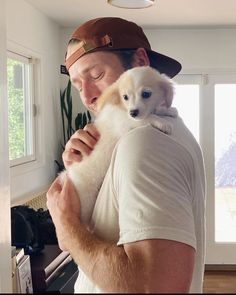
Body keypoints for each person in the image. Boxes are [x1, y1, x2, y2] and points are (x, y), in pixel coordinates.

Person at [46, 17, 206, 293]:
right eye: (77, 84)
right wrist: (80, 175)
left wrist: (66, 225)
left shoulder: (146, 143)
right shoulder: (140, 138)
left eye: (96, 75)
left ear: (140, 63)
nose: (87, 96)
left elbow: (154, 287)